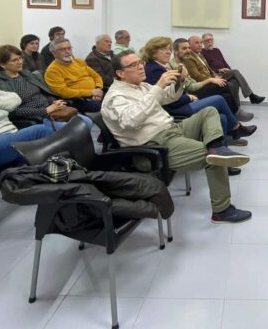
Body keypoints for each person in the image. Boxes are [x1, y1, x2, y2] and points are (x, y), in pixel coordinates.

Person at [102, 50, 252, 224]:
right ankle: (222, 211)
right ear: (120, 73)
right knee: (214, 159)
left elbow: (168, 97)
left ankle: (217, 146)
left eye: (140, 62)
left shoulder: (140, 85)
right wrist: (158, 87)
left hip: (172, 129)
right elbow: (131, 120)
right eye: (133, 65)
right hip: (153, 146)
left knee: (210, 112)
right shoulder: (115, 97)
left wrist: (179, 82)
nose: (141, 67)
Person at [142, 36, 256, 142]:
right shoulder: (156, 70)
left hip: (182, 100)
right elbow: (167, 99)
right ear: (153, 53)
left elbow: (172, 92)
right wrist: (189, 97)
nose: (168, 52)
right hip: (176, 109)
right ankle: (236, 127)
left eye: (168, 49)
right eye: (163, 49)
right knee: (219, 98)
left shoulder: (160, 67)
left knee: (222, 111)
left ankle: (227, 141)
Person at [0, 45, 93, 131]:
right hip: (35, 118)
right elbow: (12, 111)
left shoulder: (25, 74)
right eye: (15, 60)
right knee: (76, 129)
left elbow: (42, 93)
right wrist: (45, 110)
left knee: (86, 122)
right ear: (3, 64)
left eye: (20, 58)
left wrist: (54, 102)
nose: (20, 62)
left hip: (51, 111)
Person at [173, 38, 253, 122]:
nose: (188, 50)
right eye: (184, 48)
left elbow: (209, 69)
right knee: (225, 85)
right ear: (175, 51)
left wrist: (215, 76)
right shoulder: (179, 65)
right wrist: (211, 80)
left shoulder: (187, 60)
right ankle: (237, 112)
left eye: (188, 48)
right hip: (193, 92)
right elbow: (192, 84)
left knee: (227, 93)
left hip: (199, 85)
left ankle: (233, 119)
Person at [200, 33, 265, 103]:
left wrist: (230, 71)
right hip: (216, 75)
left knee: (235, 81)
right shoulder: (202, 53)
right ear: (203, 42)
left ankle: (237, 108)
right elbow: (207, 68)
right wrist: (219, 70)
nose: (209, 42)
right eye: (207, 40)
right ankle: (251, 96)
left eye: (211, 40)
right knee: (235, 72)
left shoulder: (217, 50)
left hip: (225, 73)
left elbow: (224, 62)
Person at [44, 38, 104, 113]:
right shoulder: (53, 71)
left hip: (96, 93)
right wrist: (91, 92)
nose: (67, 51)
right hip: (78, 100)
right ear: (54, 53)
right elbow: (64, 92)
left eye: (69, 48)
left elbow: (96, 76)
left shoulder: (78, 61)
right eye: (62, 49)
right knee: (106, 107)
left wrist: (98, 89)